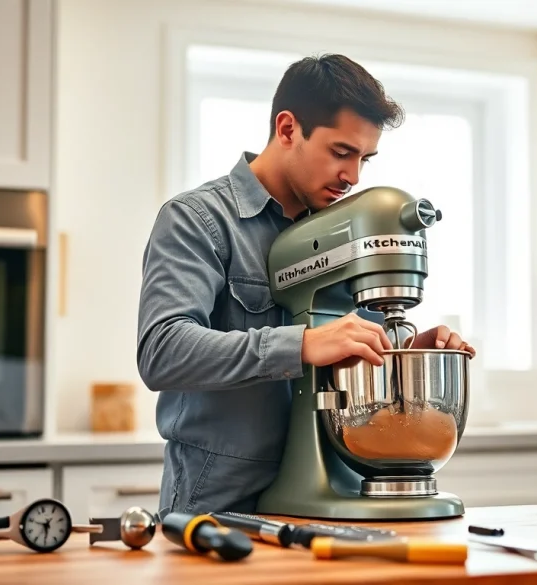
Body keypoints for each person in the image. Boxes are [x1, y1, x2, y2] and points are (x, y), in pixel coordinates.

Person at [136, 53, 476, 518]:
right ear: (288, 128)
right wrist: (302, 344)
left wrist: (402, 347)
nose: (353, 177)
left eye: (364, 159)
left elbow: (341, 357)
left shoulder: (348, 232)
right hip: (218, 505)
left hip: (335, 498)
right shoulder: (198, 221)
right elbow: (163, 351)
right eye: (341, 152)